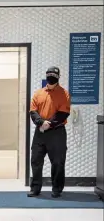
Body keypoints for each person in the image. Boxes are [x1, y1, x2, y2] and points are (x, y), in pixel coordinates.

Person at [28, 66, 71, 198]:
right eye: (49, 74)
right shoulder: (38, 93)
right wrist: (41, 123)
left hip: (57, 132)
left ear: (58, 77)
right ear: (46, 76)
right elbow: (33, 111)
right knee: (35, 160)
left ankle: (57, 189)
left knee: (58, 162)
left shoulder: (64, 94)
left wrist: (49, 124)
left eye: (54, 74)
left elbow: (63, 113)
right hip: (40, 132)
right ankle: (35, 188)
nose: (51, 76)